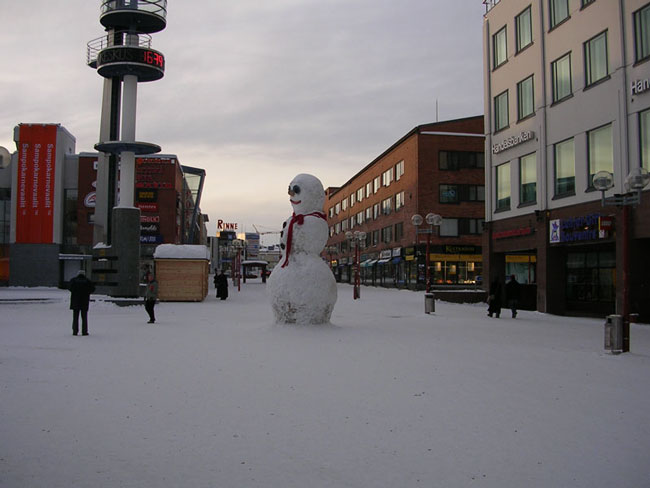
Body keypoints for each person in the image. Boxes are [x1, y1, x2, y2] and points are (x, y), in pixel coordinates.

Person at [69, 270, 95, 336]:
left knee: (75, 317)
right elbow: (92, 289)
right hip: (84, 301)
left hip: (75, 301)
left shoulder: (73, 280)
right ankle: (84, 331)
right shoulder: (87, 281)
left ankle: (75, 331)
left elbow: (70, 288)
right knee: (84, 317)